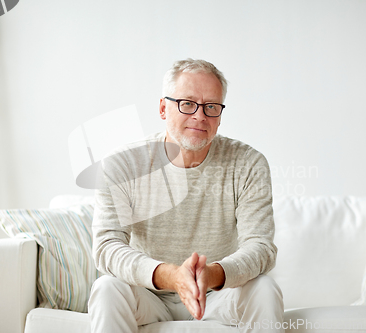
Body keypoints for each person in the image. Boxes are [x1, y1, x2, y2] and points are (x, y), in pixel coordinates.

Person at [88, 59, 284, 332]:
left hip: (218, 295)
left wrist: (211, 275)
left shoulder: (248, 163)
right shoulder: (122, 165)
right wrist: (171, 276)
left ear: (220, 114)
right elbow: (106, 246)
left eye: (211, 107)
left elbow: (261, 247)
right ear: (162, 108)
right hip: (149, 296)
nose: (200, 116)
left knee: (263, 287)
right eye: (187, 103)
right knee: (107, 287)